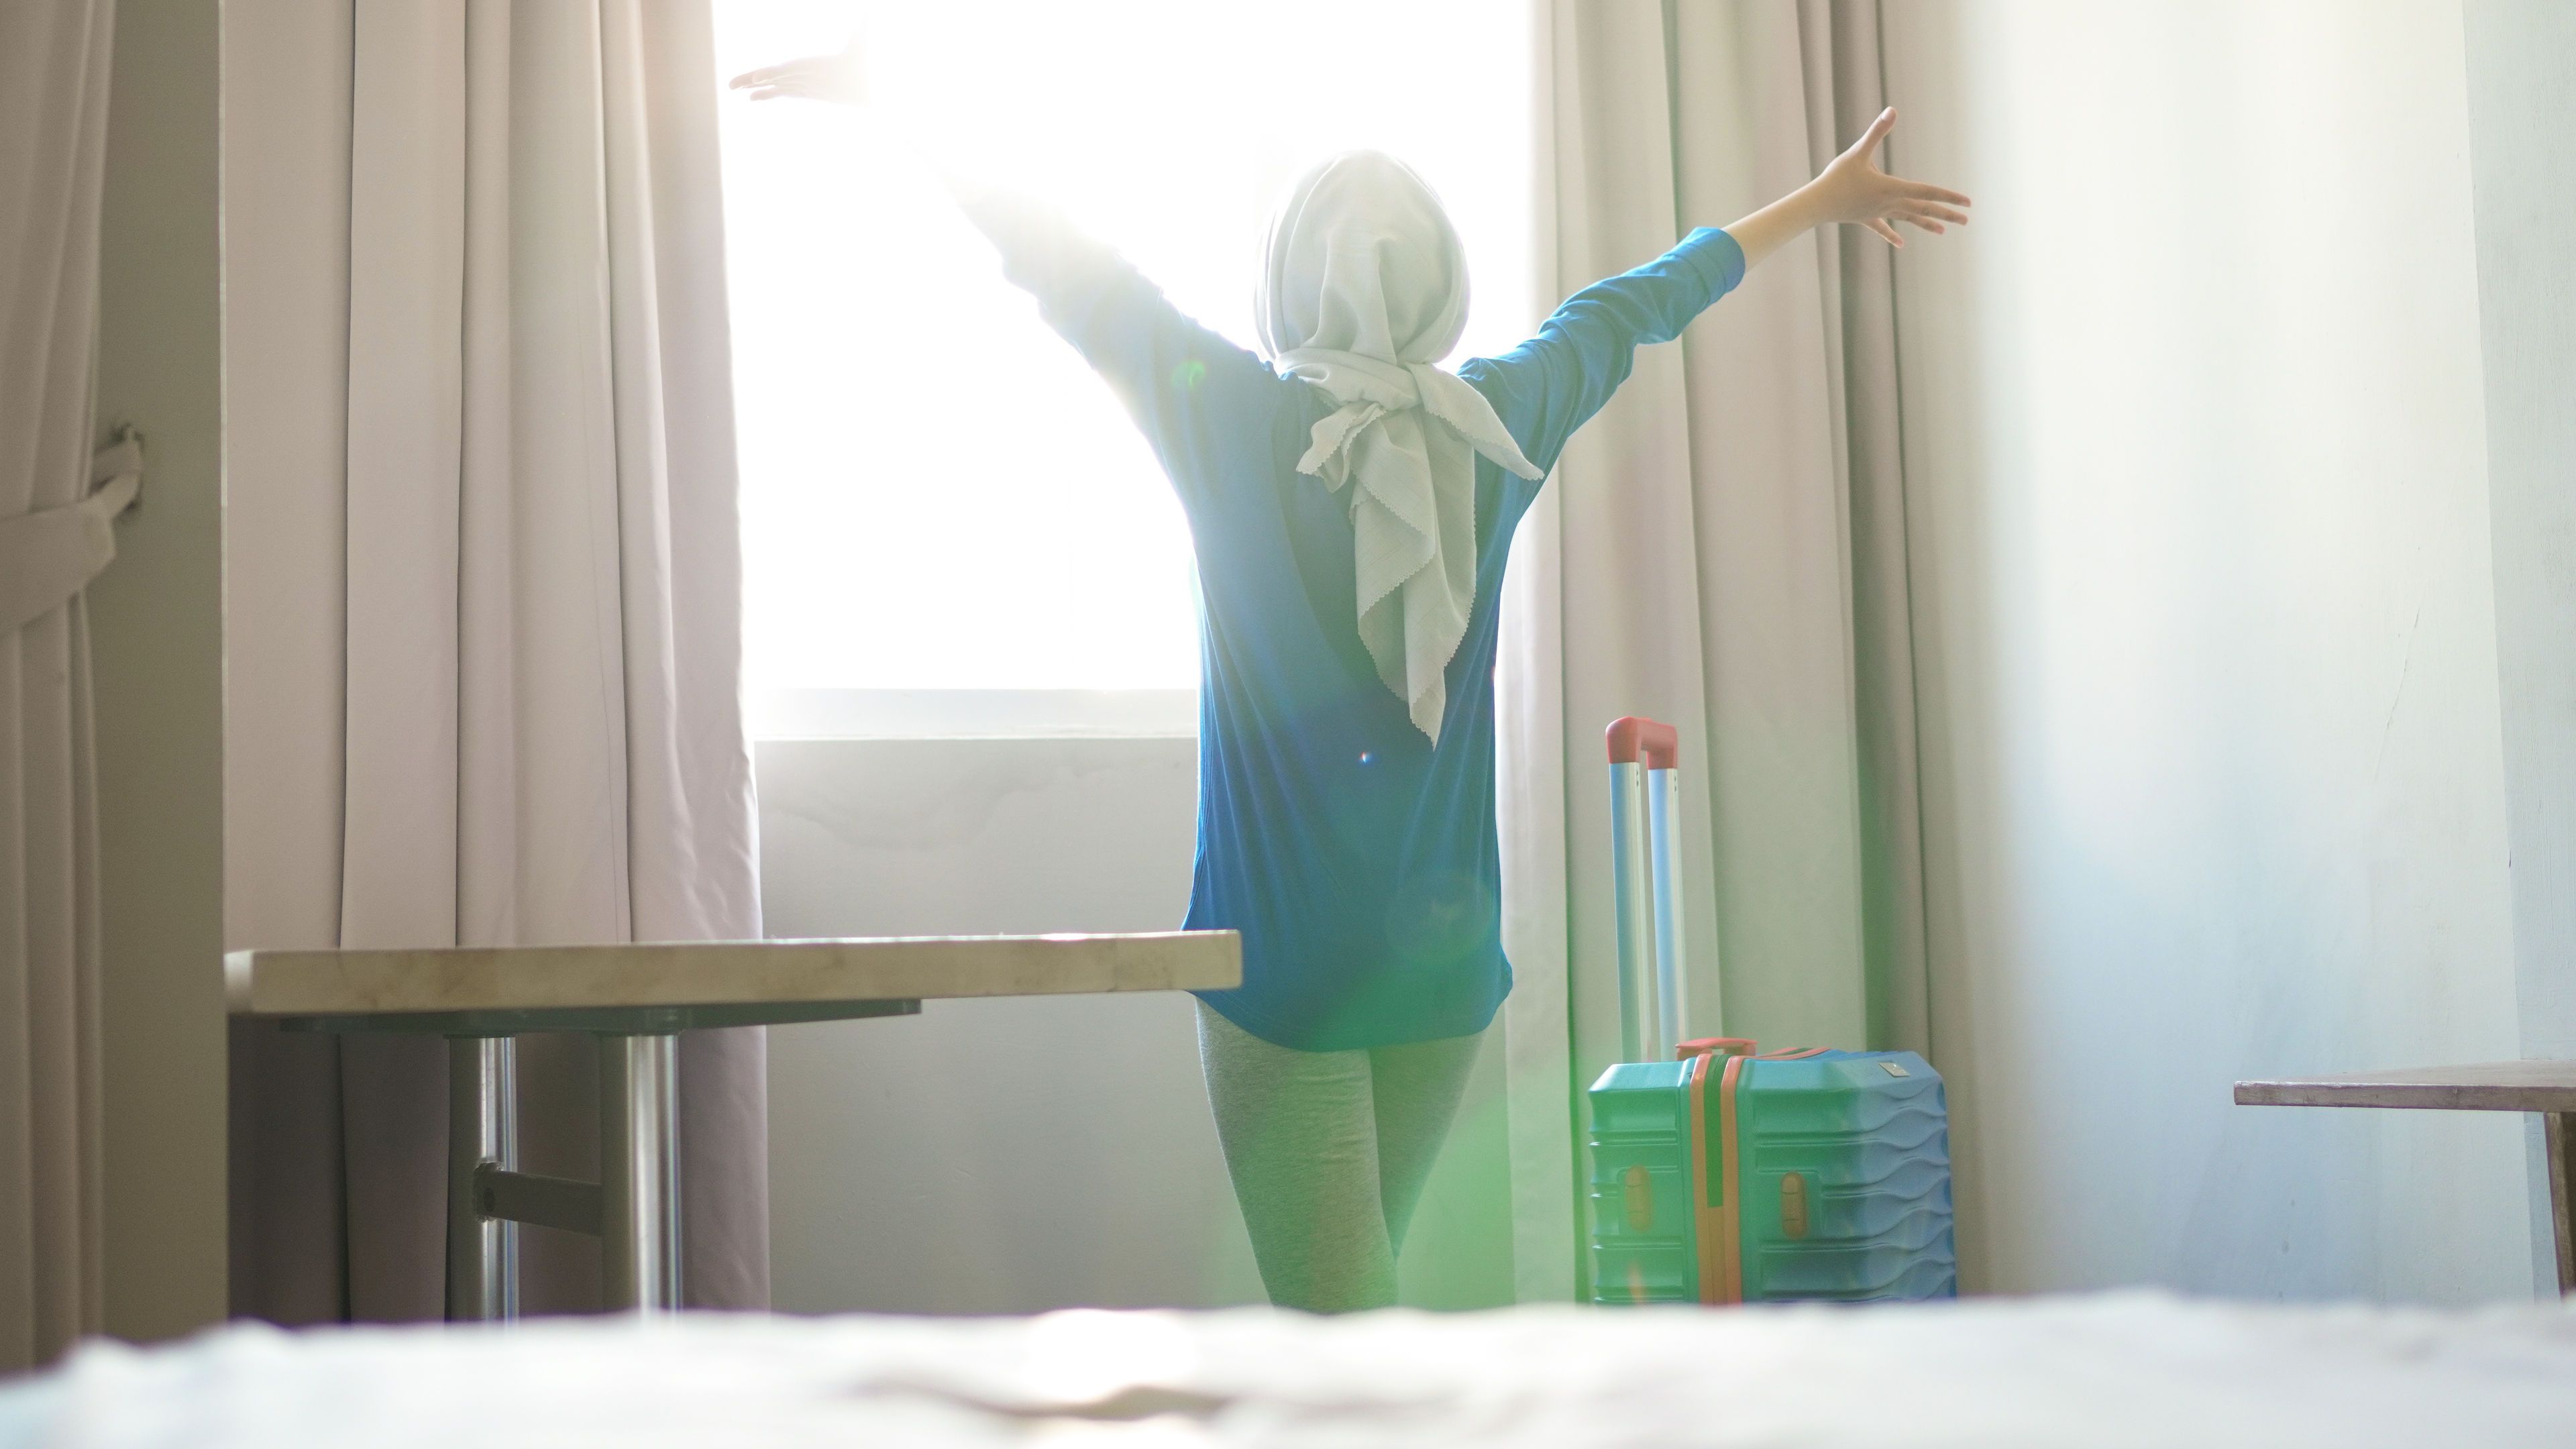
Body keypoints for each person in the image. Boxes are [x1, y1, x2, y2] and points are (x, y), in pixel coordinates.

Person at [733, 46, 1968, 1313]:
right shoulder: (1500, 422)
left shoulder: (1231, 420)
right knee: (1359, 1324)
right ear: (1445, 284)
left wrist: (899, 111)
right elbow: (1637, 303)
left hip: (1285, 974)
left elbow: (1065, 263)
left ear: (1285, 289)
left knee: (1342, 1341)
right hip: (1442, 974)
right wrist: (1818, 203)